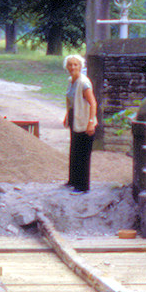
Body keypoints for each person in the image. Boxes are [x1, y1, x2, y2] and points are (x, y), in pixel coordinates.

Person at [63, 54, 97, 194]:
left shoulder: (84, 83)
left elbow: (93, 103)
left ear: (81, 66)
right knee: (74, 151)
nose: (72, 67)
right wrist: (67, 116)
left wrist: (91, 122)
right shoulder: (71, 80)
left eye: (75, 64)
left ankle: (83, 186)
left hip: (84, 120)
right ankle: (73, 181)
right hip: (74, 118)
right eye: (70, 64)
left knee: (83, 153)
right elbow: (71, 100)